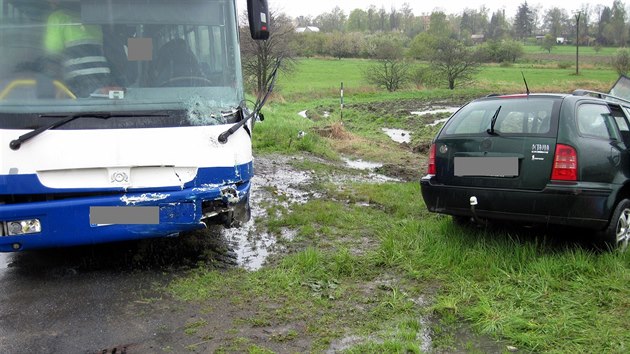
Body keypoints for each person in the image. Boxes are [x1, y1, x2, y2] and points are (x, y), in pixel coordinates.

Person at [44, 0, 111, 97]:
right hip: (103, 77)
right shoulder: (94, 18)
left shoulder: (57, 17)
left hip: (77, 79)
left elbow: (52, 49)